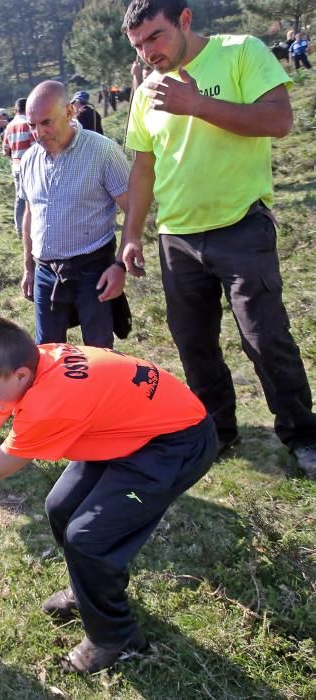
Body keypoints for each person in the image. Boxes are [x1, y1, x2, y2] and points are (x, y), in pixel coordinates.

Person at [0, 316, 217, 674]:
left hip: (174, 449)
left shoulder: (47, 402)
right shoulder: (33, 362)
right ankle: (90, 591)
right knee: (61, 506)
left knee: (88, 538)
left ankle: (112, 637)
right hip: (125, 434)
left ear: (20, 376)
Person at [121, 0, 316, 477]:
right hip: (178, 238)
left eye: (156, 37)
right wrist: (131, 236)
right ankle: (218, 432)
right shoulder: (146, 90)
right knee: (194, 344)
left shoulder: (240, 51)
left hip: (240, 226)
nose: (148, 53)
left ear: (185, 20)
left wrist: (198, 105)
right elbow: (143, 168)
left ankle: (303, 434)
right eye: (139, 45)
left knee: (264, 337)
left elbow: (279, 121)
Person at [18, 81, 130, 349]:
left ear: (69, 112)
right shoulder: (30, 159)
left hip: (93, 269)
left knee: (99, 351)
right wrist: (29, 268)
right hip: (46, 271)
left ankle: (103, 393)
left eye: (46, 122)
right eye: (32, 125)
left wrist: (120, 266)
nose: (38, 133)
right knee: (47, 353)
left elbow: (133, 209)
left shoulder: (101, 151)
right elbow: (30, 214)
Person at [1, 98, 34, 238]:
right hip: (30, 166)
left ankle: (19, 228)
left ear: (15, 110)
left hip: (16, 166)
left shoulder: (9, 126)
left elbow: (5, 149)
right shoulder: (29, 124)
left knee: (20, 197)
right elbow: (35, 147)